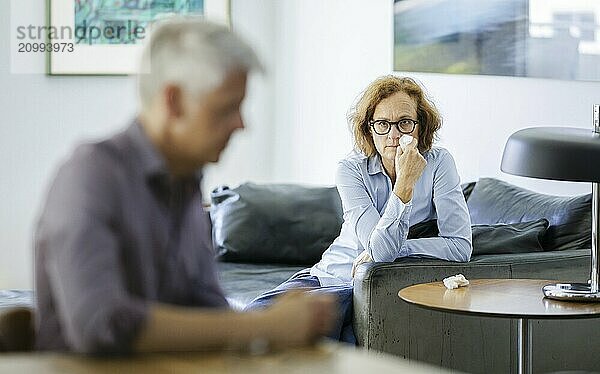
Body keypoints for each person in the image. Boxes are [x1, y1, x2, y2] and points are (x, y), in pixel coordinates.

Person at [34, 18, 336, 354]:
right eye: (227, 108)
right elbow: (102, 325)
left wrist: (282, 327)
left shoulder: (187, 184)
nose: (241, 124)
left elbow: (208, 310)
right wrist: (266, 324)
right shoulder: (89, 175)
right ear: (174, 101)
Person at [246, 75, 472, 343]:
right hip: (332, 276)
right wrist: (404, 186)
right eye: (382, 124)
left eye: (405, 122)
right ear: (369, 129)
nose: (394, 134)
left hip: (376, 283)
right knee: (254, 321)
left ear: (420, 127)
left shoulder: (439, 163)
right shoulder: (351, 169)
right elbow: (378, 251)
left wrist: (401, 241)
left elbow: (459, 247)